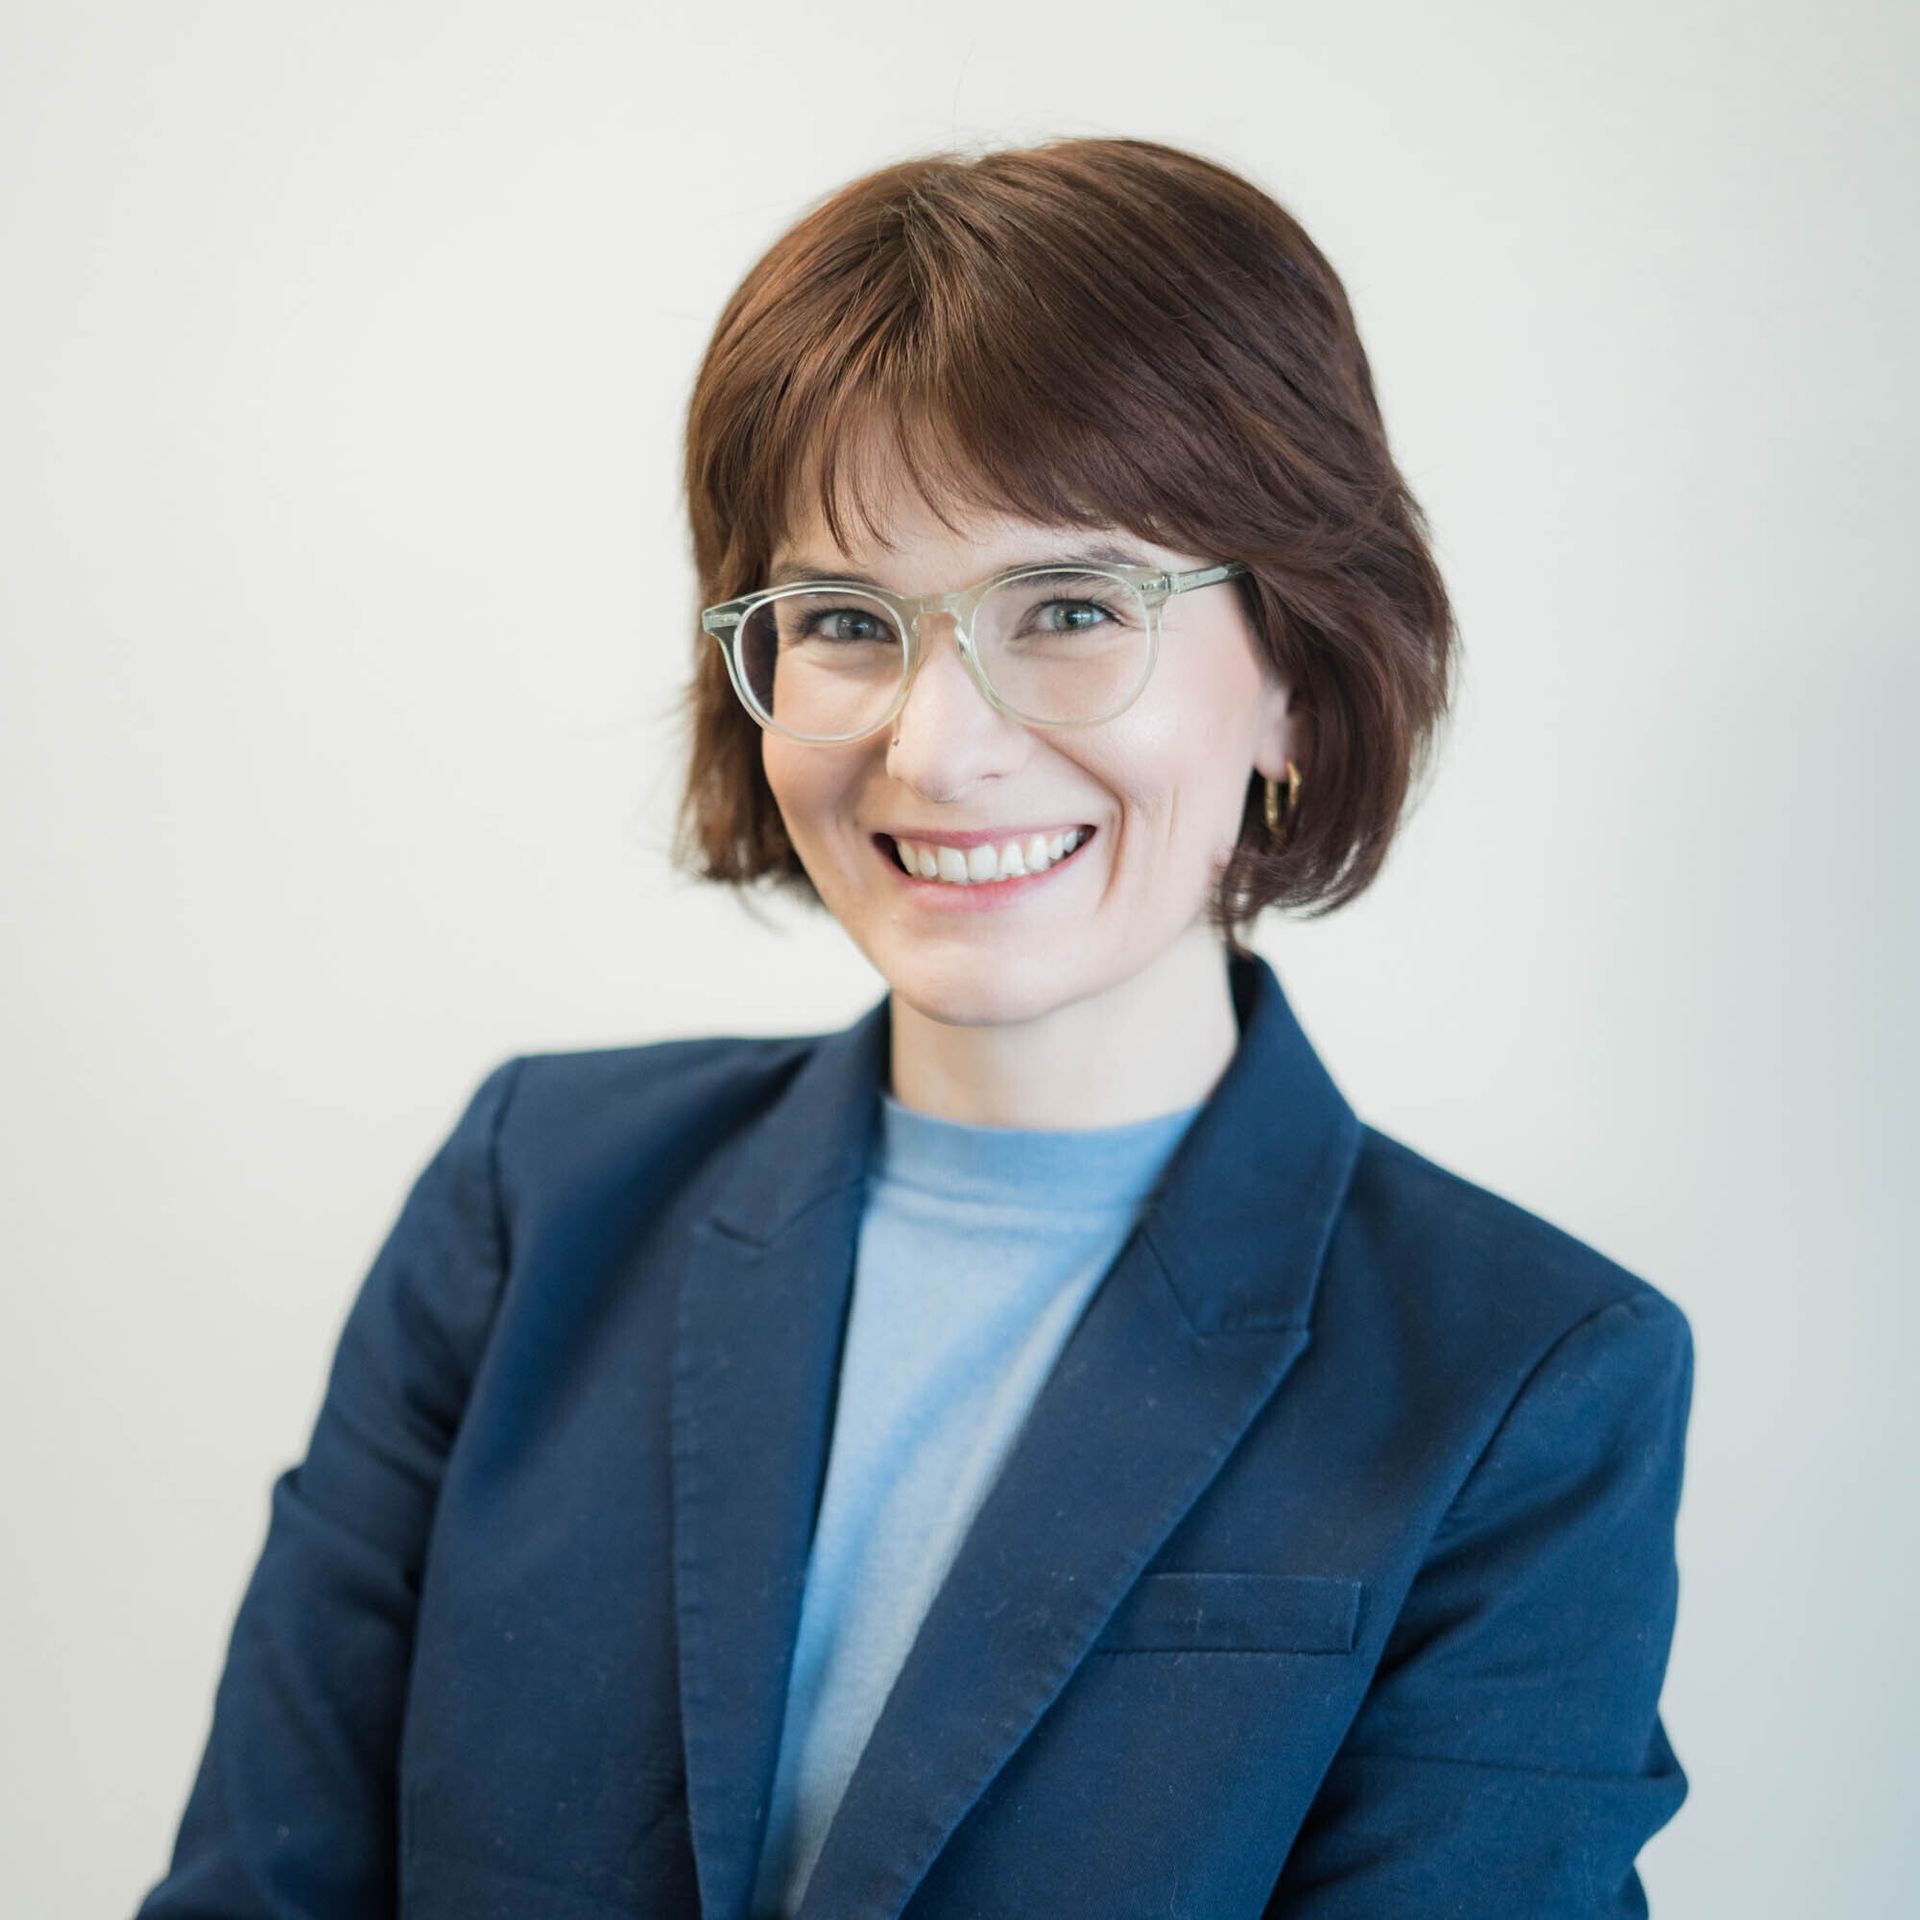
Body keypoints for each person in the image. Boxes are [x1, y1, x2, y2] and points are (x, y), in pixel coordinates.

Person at [134, 137, 1693, 1920]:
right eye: (846, 620)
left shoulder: (1526, 1381)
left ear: (1293, 675)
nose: (939, 747)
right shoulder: (531, 1205)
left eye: (1075, 609)